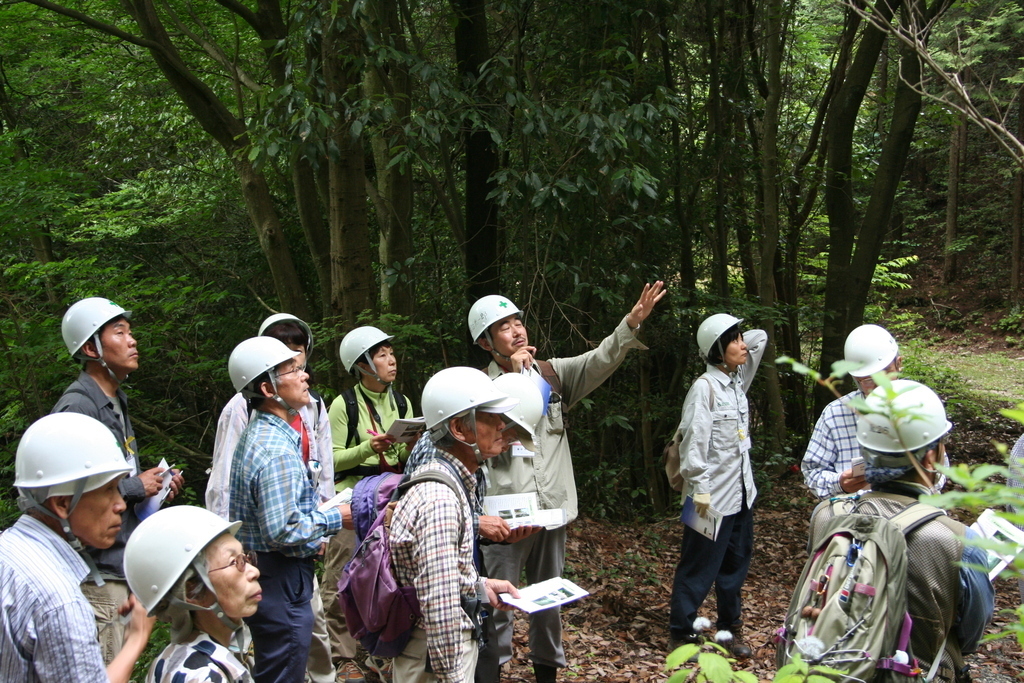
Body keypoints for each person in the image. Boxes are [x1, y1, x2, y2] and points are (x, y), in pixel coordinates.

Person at [469, 281, 666, 683]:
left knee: (548, 601)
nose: (517, 330)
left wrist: (631, 323)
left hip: (551, 510)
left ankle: (546, 674)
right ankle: (490, 673)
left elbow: (600, 359)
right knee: (499, 601)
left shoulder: (551, 375)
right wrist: (516, 380)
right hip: (505, 518)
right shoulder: (477, 390)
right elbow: (478, 438)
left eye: (518, 321)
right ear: (486, 342)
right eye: (504, 326)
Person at [808, 380, 993, 682]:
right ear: (931, 456)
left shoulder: (827, 516)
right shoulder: (958, 541)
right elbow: (972, 635)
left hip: (834, 670)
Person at [205, 313, 337, 683]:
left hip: (272, 570)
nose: (305, 374)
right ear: (267, 389)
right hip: (280, 573)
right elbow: (282, 530)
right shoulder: (276, 447)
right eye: (293, 371)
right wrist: (335, 517)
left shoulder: (265, 432)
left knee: (279, 661)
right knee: (284, 667)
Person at [51, 296, 183, 663]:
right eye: (120, 332)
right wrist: (134, 487)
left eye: (130, 332)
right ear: (91, 347)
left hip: (120, 564)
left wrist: (153, 489)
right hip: (96, 572)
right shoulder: (78, 407)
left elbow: (113, 481)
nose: (132, 340)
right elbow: (65, 498)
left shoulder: (116, 400)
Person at [389, 367, 522, 683]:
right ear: (460, 428)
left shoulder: (453, 481)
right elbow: (439, 603)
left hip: (433, 655)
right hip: (434, 661)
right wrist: (453, 676)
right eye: (489, 416)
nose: (501, 424)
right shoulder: (441, 498)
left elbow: (442, 575)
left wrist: (480, 586)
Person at [0, 412, 155, 682]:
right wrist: (136, 639)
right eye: (108, 490)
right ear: (62, 504)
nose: (120, 504)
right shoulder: (60, 599)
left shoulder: (9, 550)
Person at [668, 313, 767, 658]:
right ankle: (681, 633)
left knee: (734, 567)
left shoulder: (737, 381)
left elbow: (761, 337)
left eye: (741, 338)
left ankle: (729, 629)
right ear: (716, 350)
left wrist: (733, 334)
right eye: (734, 340)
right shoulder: (704, 388)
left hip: (741, 496)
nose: (743, 344)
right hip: (707, 499)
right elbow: (692, 444)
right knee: (697, 567)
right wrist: (701, 490)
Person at [324, 326, 415, 679]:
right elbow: (330, 458)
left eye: (391, 353)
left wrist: (410, 444)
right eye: (381, 355)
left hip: (389, 497)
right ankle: (341, 656)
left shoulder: (403, 402)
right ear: (361, 365)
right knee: (340, 575)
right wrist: (367, 449)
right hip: (351, 499)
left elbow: (407, 454)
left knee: (389, 574)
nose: (391, 360)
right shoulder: (343, 404)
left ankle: (383, 650)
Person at [124, 505, 262, 683]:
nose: (254, 572)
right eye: (234, 562)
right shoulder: (203, 675)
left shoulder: (173, 658)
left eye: (246, 558)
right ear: (192, 592)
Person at [802, 324, 901, 499]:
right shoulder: (835, 414)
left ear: (898, 364)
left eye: (885, 373)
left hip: (910, 517)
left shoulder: (921, 405)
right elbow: (812, 473)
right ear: (856, 379)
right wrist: (840, 484)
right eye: (869, 380)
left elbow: (939, 473)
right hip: (854, 518)